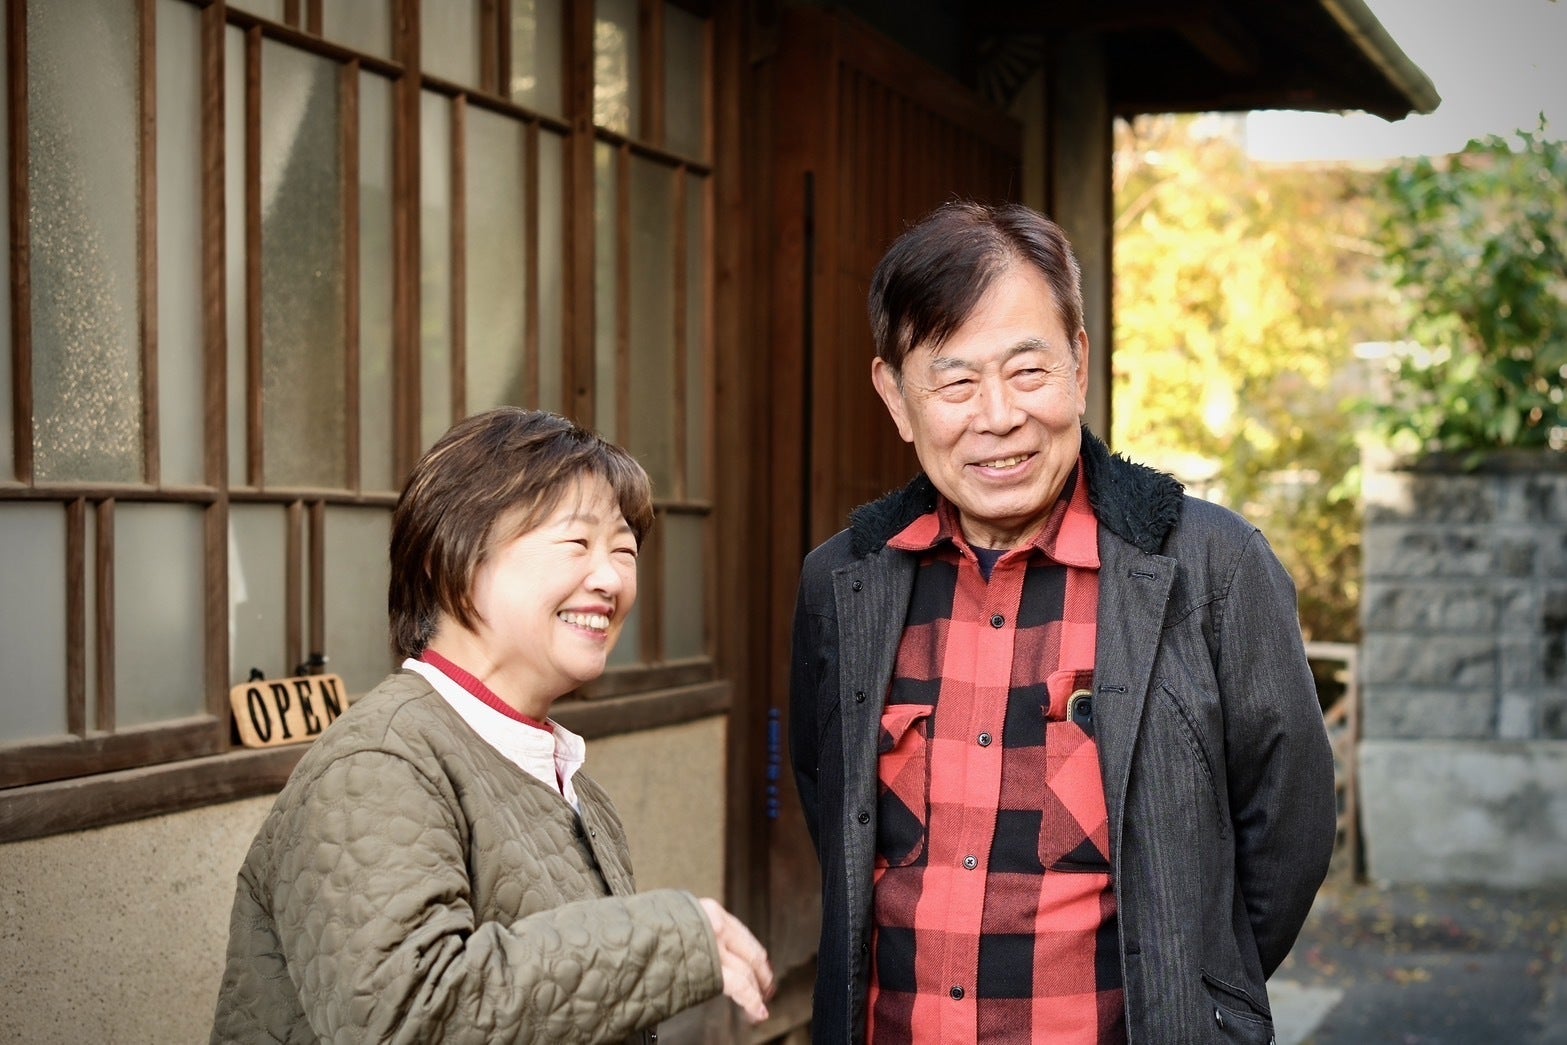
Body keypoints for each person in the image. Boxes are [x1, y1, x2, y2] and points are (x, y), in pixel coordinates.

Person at [788, 201, 1336, 1043]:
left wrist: (1192, 990)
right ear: (895, 397)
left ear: (1078, 366)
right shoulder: (839, 583)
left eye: (1027, 370)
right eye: (955, 382)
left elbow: (1288, 826)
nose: (997, 415)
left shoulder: (1211, 568)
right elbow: (831, 806)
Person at [213, 407, 774, 1044]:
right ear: (451, 556)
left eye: (624, 551)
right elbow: (413, 1016)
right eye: (577, 543)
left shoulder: (570, 783)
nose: (611, 579)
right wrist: (665, 943)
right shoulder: (377, 764)